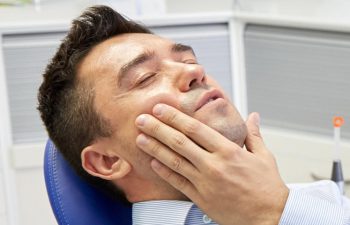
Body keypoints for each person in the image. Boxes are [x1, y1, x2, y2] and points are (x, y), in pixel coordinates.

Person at [37, 5, 350, 225]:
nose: (196, 72)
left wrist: (278, 211)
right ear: (107, 161)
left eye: (188, 60)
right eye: (146, 78)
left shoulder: (325, 202)